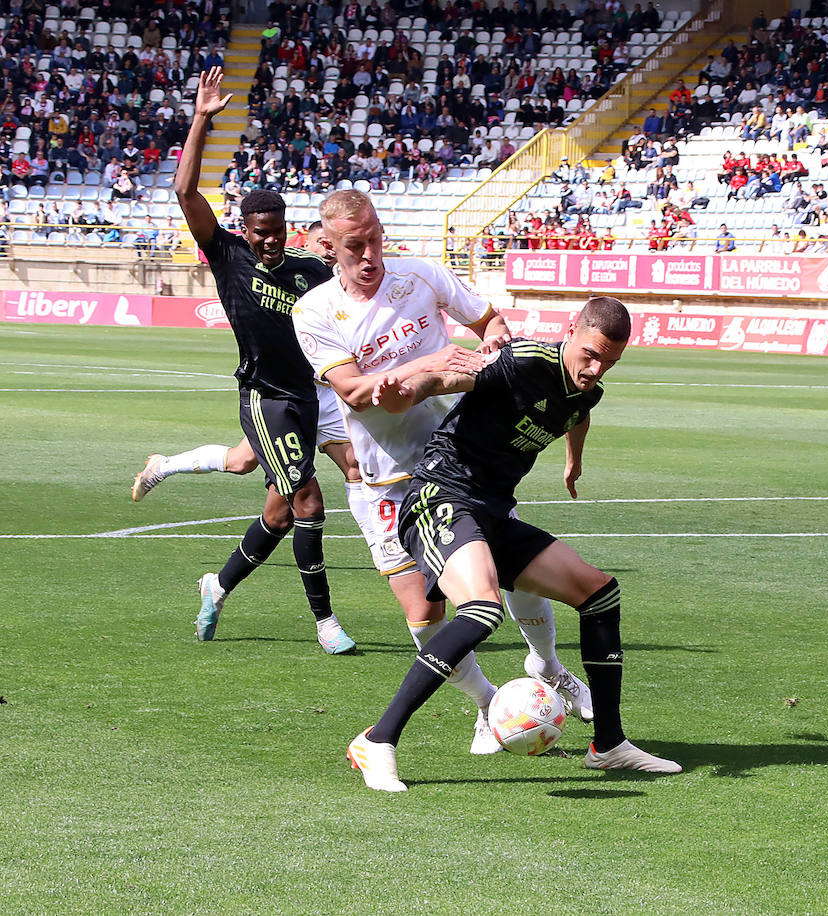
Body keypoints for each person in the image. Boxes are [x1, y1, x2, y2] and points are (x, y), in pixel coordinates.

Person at [293, 189, 594, 754]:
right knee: (425, 610)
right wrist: (428, 364)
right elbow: (357, 394)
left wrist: (496, 347)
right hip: (385, 475)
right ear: (328, 247)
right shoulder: (314, 312)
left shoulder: (421, 276)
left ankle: (549, 666)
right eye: (355, 247)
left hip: (463, 462)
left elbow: (488, 321)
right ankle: (488, 705)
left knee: (514, 570)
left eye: (376, 239)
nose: (370, 256)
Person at [346, 297, 680, 791]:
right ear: (571, 330)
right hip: (441, 495)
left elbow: (578, 412)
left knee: (600, 592)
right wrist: (408, 387)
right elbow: (449, 378)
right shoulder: (525, 361)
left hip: (492, 510)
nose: (595, 369)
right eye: (589, 354)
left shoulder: (588, 392)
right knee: (481, 611)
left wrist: (574, 460)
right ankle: (377, 740)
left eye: (609, 362)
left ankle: (608, 745)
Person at [174, 68, 354, 654]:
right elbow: (184, 193)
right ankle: (325, 621)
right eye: (260, 232)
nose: (270, 240)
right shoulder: (226, 256)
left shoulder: (308, 271)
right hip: (263, 396)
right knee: (309, 499)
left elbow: (355, 295)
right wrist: (203, 118)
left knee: (278, 515)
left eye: (277, 231)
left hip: (307, 397)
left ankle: (217, 586)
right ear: (245, 230)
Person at [131, 222, 362, 503]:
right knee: (242, 463)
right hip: (283, 394)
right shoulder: (285, 277)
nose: (328, 249)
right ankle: (164, 466)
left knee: (355, 467)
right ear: (305, 245)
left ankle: (380, 542)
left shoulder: (337, 287)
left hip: (323, 395)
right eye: (321, 242)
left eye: (333, 244)